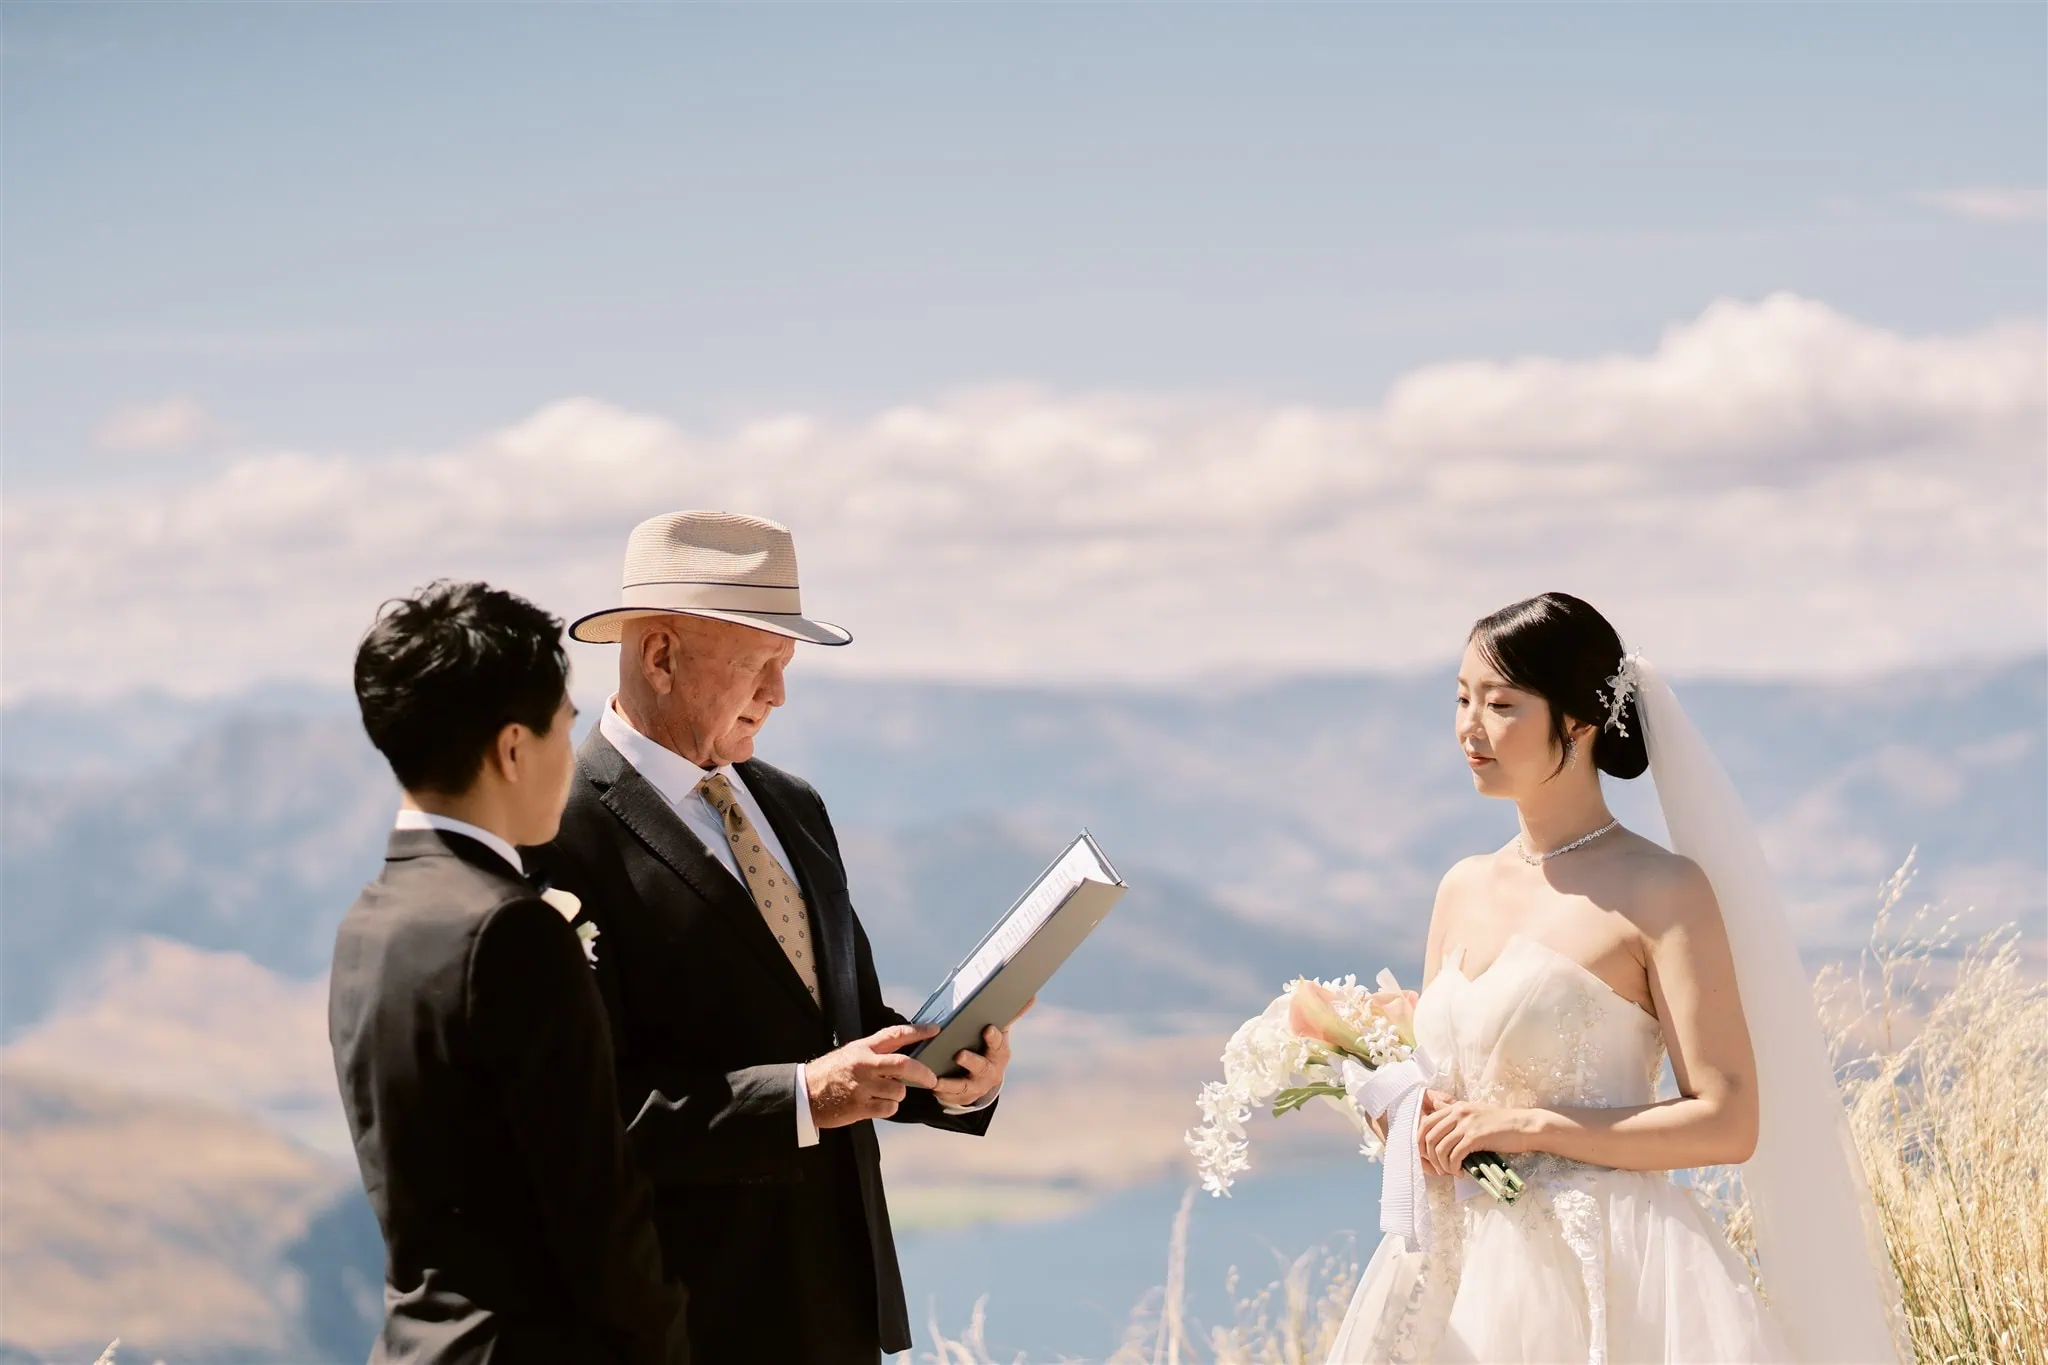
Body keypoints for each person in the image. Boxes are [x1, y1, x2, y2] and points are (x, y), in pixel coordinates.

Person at [1326, 592, 1906, 1363]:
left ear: (1579, 721)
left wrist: (1532, 1127)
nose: (1470, 726)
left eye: (1500, 703)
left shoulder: (1662, 889)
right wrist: (1406, 1115)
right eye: (1462, 698)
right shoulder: (1459, 887)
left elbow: (1728, 1121)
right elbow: (1443, 1085)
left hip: (1604, 1265)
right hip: (1452, 1270)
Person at [527, 510, 1018, 1364]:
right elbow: (578, 1118)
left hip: (838, 1315)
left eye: (786, 665)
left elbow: (843, 1025)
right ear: (660, 655)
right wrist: (800, 1098)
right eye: (760, 663)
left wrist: (952, 1079)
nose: (780, 694)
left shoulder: (793, 804)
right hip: (685, 1325)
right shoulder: (556, 830)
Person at [329, 581, 687, 1365]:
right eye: (566, 726)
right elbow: (595, 1209)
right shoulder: (512, 929)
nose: (571, 754)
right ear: (513, 748)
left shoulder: (368, 920)